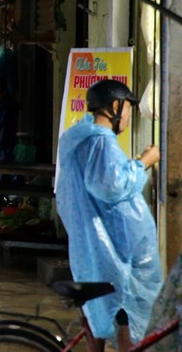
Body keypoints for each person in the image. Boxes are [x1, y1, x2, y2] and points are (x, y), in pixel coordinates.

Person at [55, 79, 161, 348]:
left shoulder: (78, 139)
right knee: (122, 311)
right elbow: (111, 185)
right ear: (116, 106)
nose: (127, 116)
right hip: (111, 253)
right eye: (127, 108)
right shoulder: (100, 142)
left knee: (98, 312)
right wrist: (143, 162)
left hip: (91, 248)